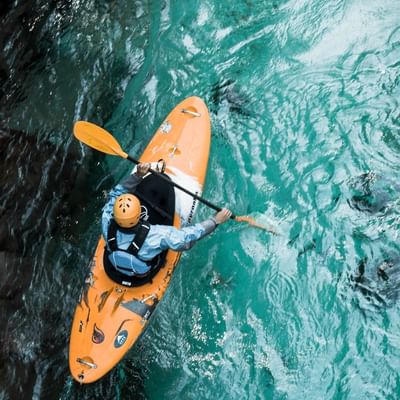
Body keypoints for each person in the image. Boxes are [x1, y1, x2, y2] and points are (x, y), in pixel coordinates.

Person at [102, 163, 232, 277]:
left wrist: (137, 175)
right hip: (143, 272)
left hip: (115, 265)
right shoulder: (156, 235)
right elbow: (186, 239)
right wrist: (215, 221)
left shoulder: (107, 221)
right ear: (139, 214)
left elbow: (114, 195)